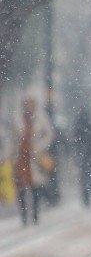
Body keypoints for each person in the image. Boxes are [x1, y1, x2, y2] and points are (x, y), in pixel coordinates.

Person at [12, 96, 54, 226]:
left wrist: (40, 146)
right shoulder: (18, 118)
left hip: (35, 158)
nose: (28, 106)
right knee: (21, 187)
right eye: (26, 103)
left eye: (31, 103)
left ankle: (35, 214)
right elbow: (12, 137)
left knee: (36, 186)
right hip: (21, 157)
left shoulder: (41, 118)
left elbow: (50, 134)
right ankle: (24, 216)